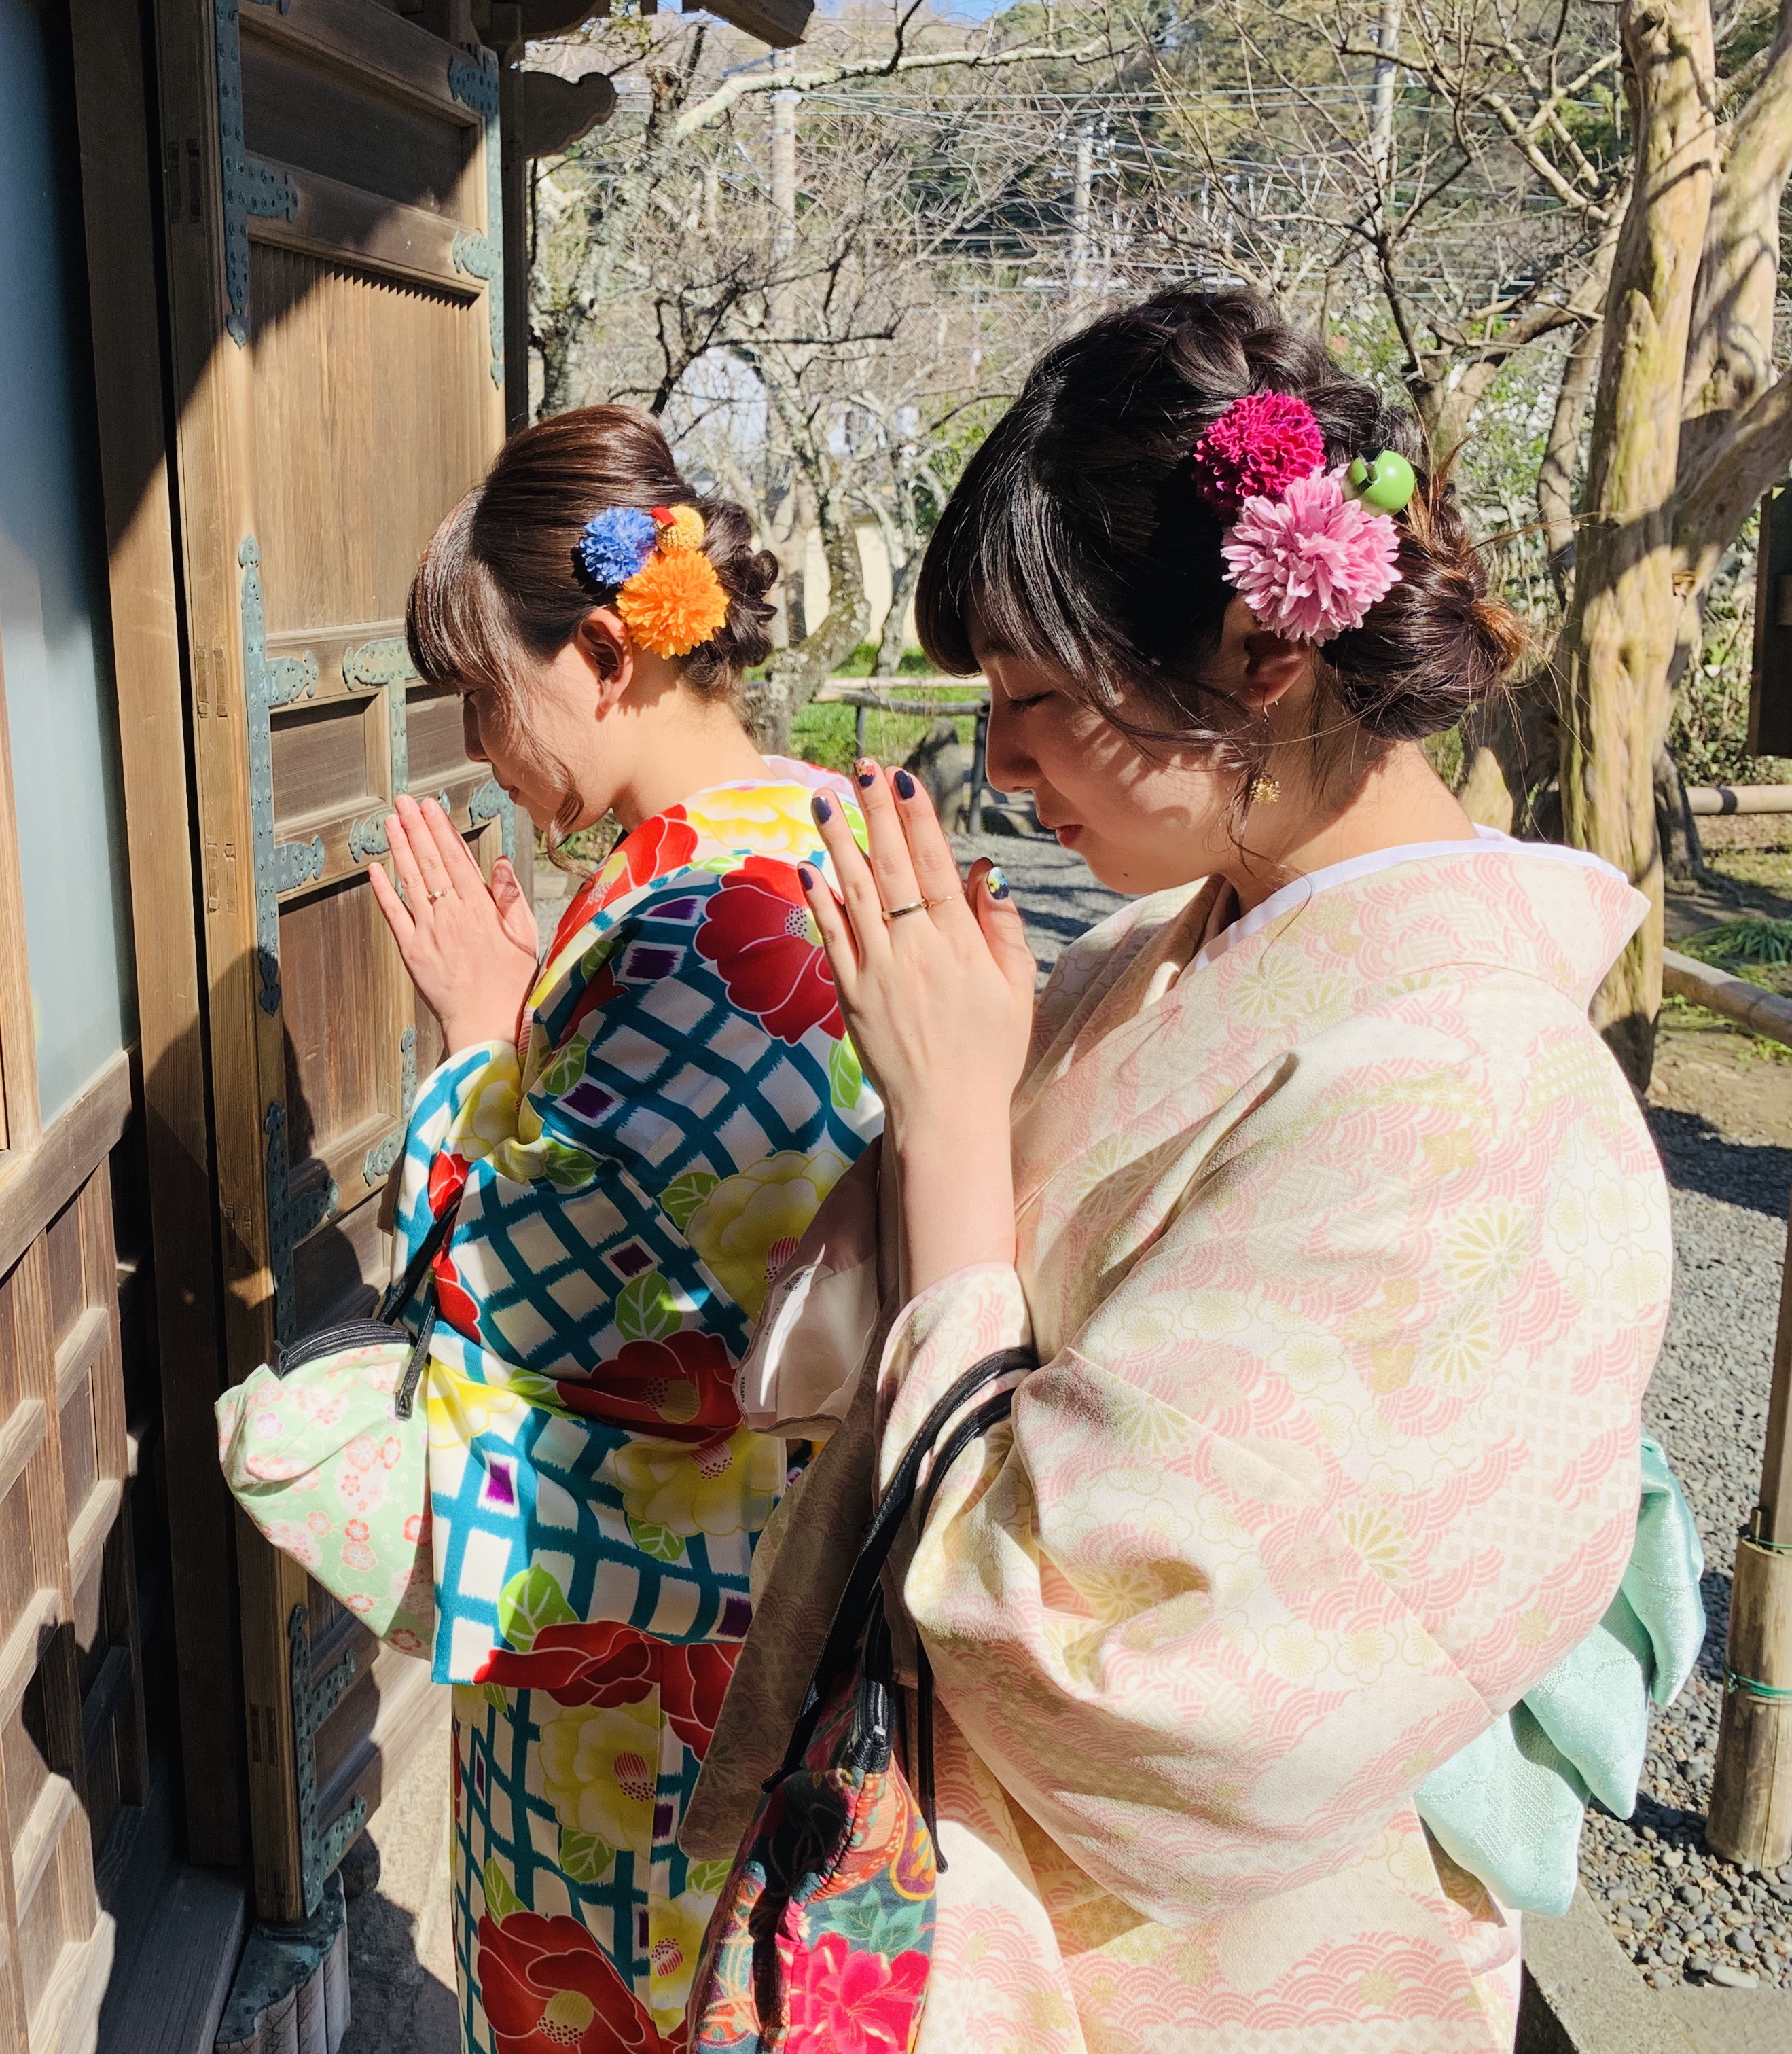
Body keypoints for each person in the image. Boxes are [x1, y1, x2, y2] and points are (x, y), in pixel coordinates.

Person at [681, 288, 1681, 2053]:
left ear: (1261, 654)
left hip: (1198, 1976)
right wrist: (948, 1087)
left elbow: (1114, 1660)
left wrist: (956, 1133)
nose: (996, 765)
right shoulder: (1151, 951)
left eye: (1037, 700)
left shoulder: (1468, 1094)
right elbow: (829, 1363)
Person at [367, 406, 884, 2054]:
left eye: (482, 692)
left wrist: (468, 1046)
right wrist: (535, 1027)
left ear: (601, 652)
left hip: (650, 1623)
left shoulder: (712, 914)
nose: (477, 744)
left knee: (620, 1994)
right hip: (744, 1585)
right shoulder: (801, 837)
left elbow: (521, 1282)